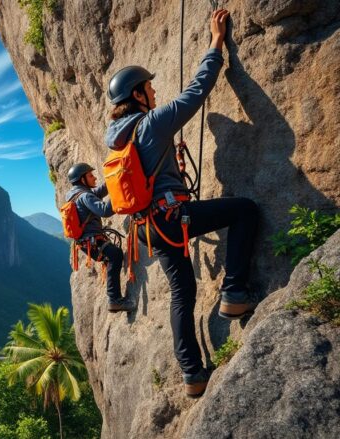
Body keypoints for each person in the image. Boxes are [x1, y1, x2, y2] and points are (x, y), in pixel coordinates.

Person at [104, 9, 258, 397]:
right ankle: (235, 293)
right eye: (149, 88)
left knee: (182, 292)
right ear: (137, 95)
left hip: (147, 230)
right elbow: (196, 92)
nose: (154, 92)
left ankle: (192, 374)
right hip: (172, 217)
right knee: (244, 211)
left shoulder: (119, 138)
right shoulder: (151, 123)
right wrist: (215, 43)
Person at [65, 163, 135, 313]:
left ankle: (114, 298)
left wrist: (115, 177)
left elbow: (99, 191)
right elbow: (104, 210)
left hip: (86, 242)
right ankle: (114, 299)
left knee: (113, 256)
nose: (94, 177)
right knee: (115, 255)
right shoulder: (85, 196)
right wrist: (118, 189)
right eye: (90, 175)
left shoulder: (74, 194)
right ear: (82, 179)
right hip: (92, 241)